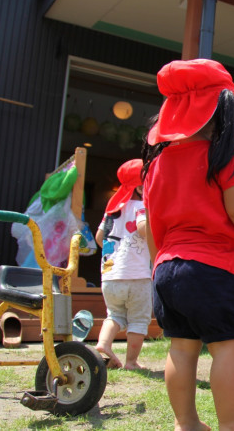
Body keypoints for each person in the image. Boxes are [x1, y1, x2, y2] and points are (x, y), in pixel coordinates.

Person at [142, 59, 234, 431]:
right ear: (218, 113)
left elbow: (151, 225)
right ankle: (231, 425)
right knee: (227, 347)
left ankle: (187, 423)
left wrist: (157, 267)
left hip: (168, 268)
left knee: (181, 347)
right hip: (213, 269)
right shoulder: (222, 157)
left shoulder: (156, 165)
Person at [94, 158, 151, 370]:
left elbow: (100, 237)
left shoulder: (111, 210)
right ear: (139, 186)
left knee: (115, 315)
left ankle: (103, 344)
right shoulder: (142, 205)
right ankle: (131, 362)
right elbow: (143, 228)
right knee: (138, 320)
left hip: (110, 276)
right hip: (137, 276)